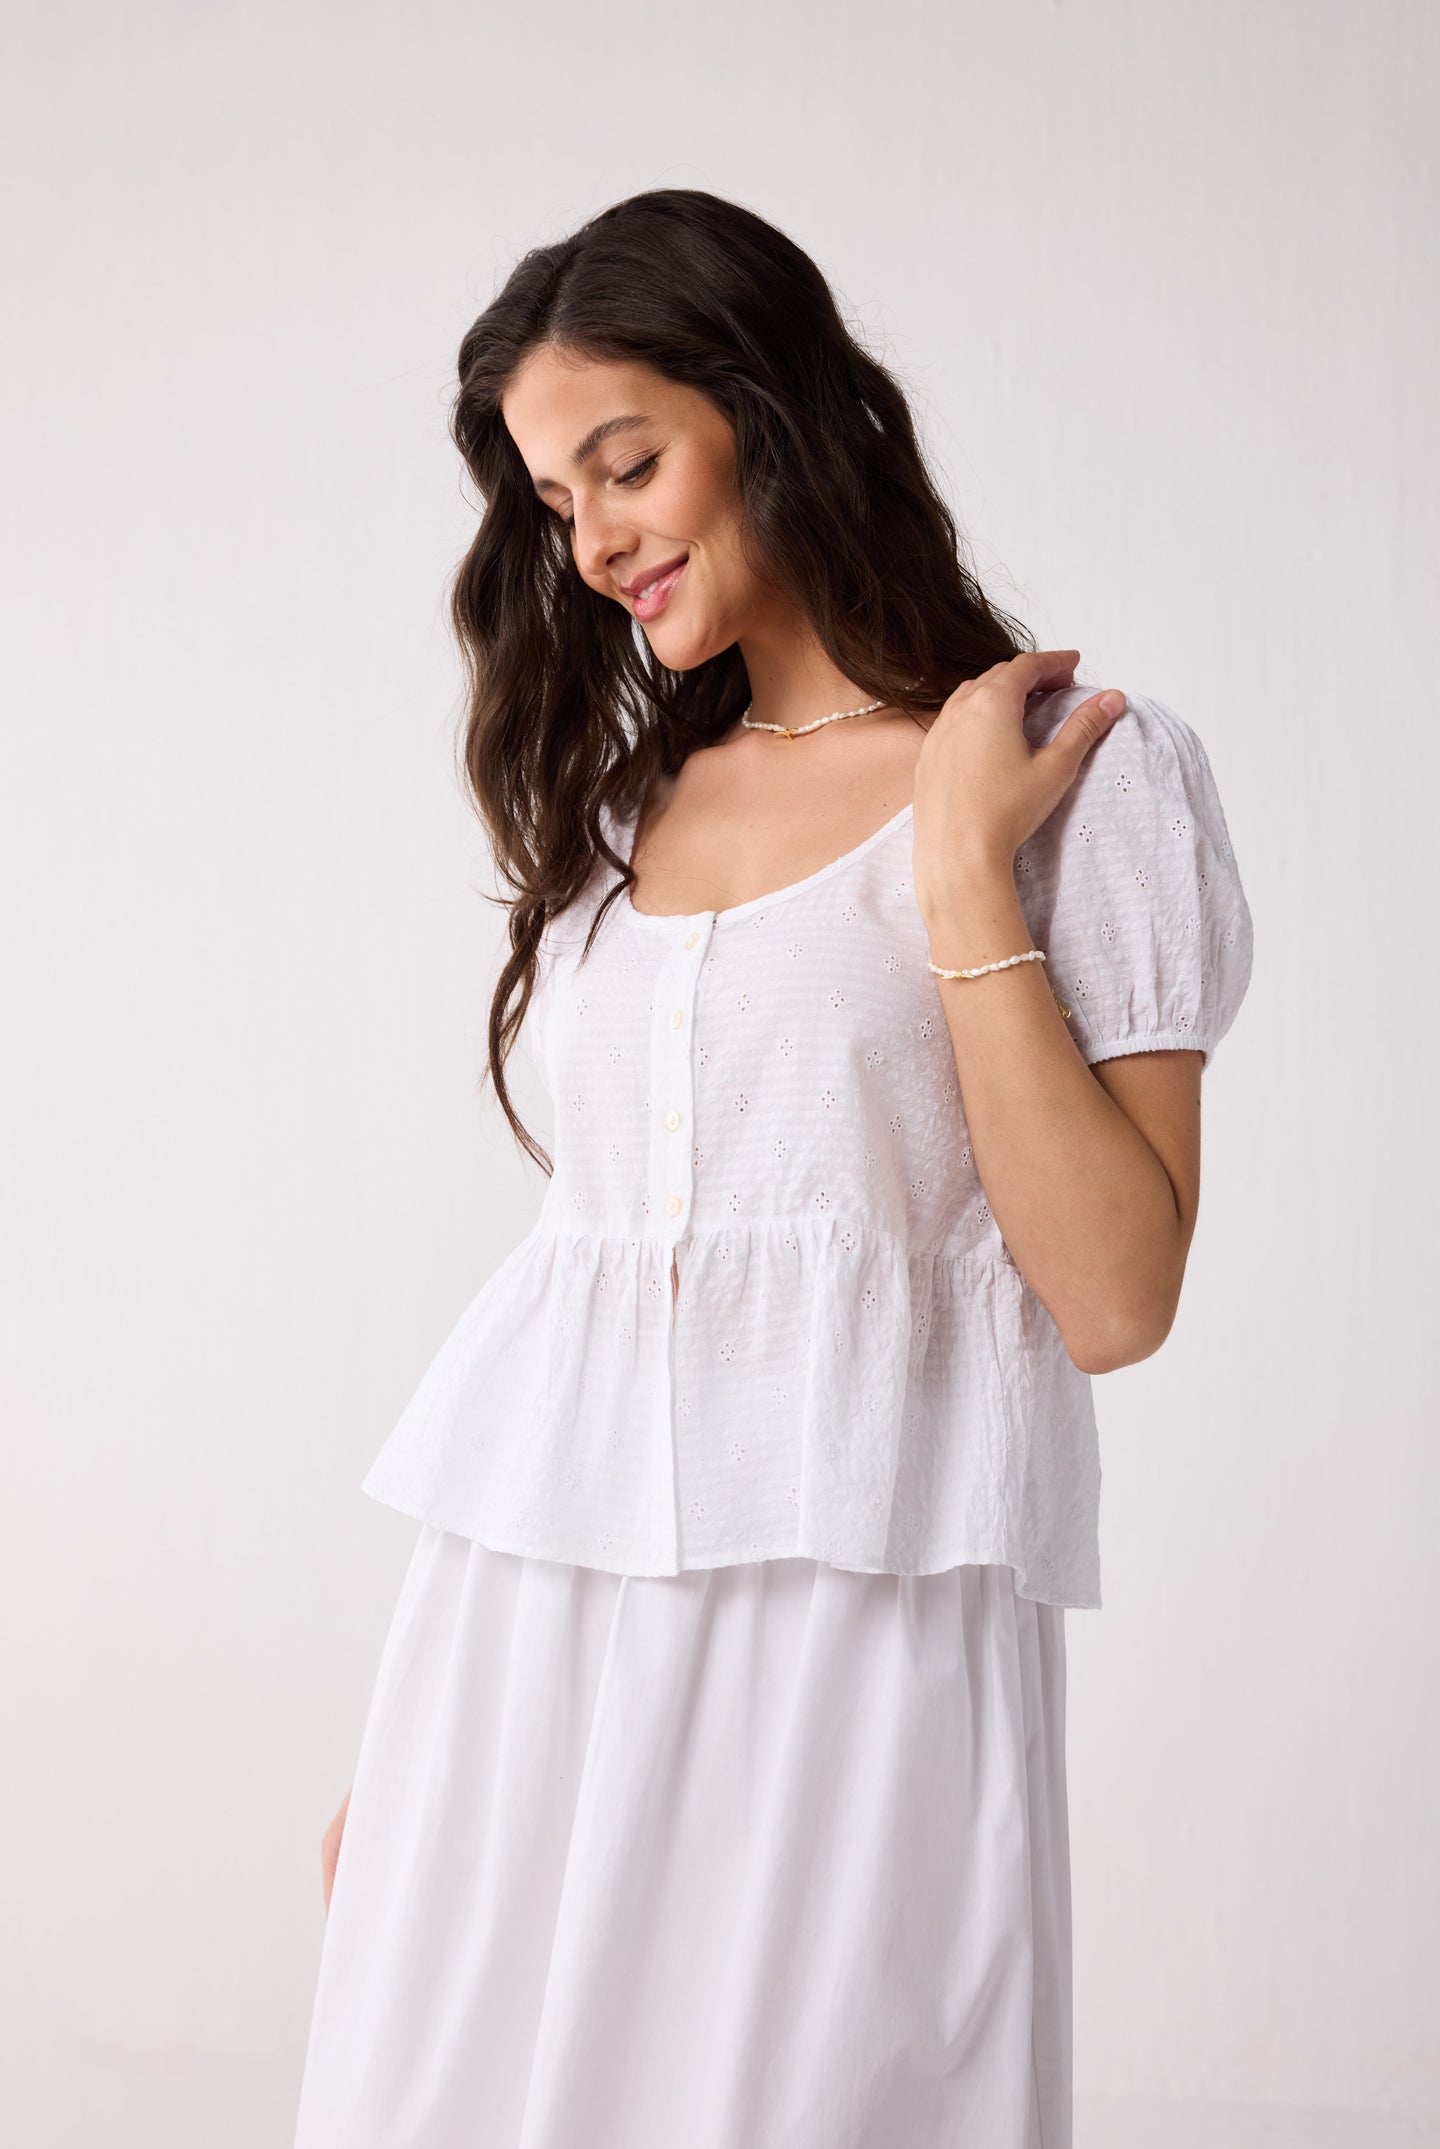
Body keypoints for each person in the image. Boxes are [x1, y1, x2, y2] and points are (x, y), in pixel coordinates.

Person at [291, 188, 1254, 2149]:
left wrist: (961, 864)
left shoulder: (1075, 774)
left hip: (855, 1647)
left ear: (772, 410)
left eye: (626, 462)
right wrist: (425, 1753)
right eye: (557, 499)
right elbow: (601, 1285)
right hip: (524, 1656)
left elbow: (1113, 1296)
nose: (593, 539)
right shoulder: (628, 807)